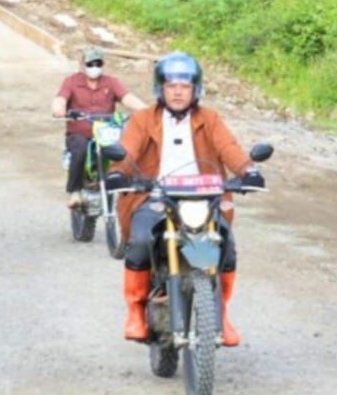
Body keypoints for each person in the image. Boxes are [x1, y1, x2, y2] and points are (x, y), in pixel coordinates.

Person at [112, 51, 265, 346]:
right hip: (155, 196)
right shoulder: (143, 119)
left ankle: (220, 313)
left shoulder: (209, 118)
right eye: (171, 85)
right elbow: (127, 149)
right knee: (142, 240)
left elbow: (229, 147)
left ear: (196, 89)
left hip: (202, 197)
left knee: (225, 245)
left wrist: (249, 170)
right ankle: (135, 312)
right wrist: (119, 172)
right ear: (161, 89)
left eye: (185, 85)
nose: (178, 91)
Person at [51, 47, 146, 207]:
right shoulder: (72, 82)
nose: (94, 67)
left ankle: (133, 191)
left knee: (127, 151)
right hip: (79, 133)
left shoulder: (111, 82)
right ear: (82, 64)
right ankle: (75, 192)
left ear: (103, 64)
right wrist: (58, 109)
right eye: (90, 63)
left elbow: (127, 98)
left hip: (106, 134)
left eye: (98, 63)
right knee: (79, 150)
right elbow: (60, 99)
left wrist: (147, 110)